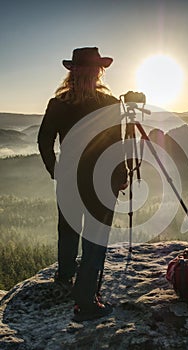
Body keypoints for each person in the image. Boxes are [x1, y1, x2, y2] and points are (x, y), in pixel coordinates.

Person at [37, 47, 127, 321]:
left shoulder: (59, 103)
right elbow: (116, 144)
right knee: (95, 239)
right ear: (99, 71)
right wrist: (121, 175)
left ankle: (65, 277)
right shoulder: (110, 103)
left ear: (72, 71)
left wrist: (55, 170)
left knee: (67, 228)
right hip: (101, 179)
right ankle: (86, 302)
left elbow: (44, 141)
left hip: (69, 176)